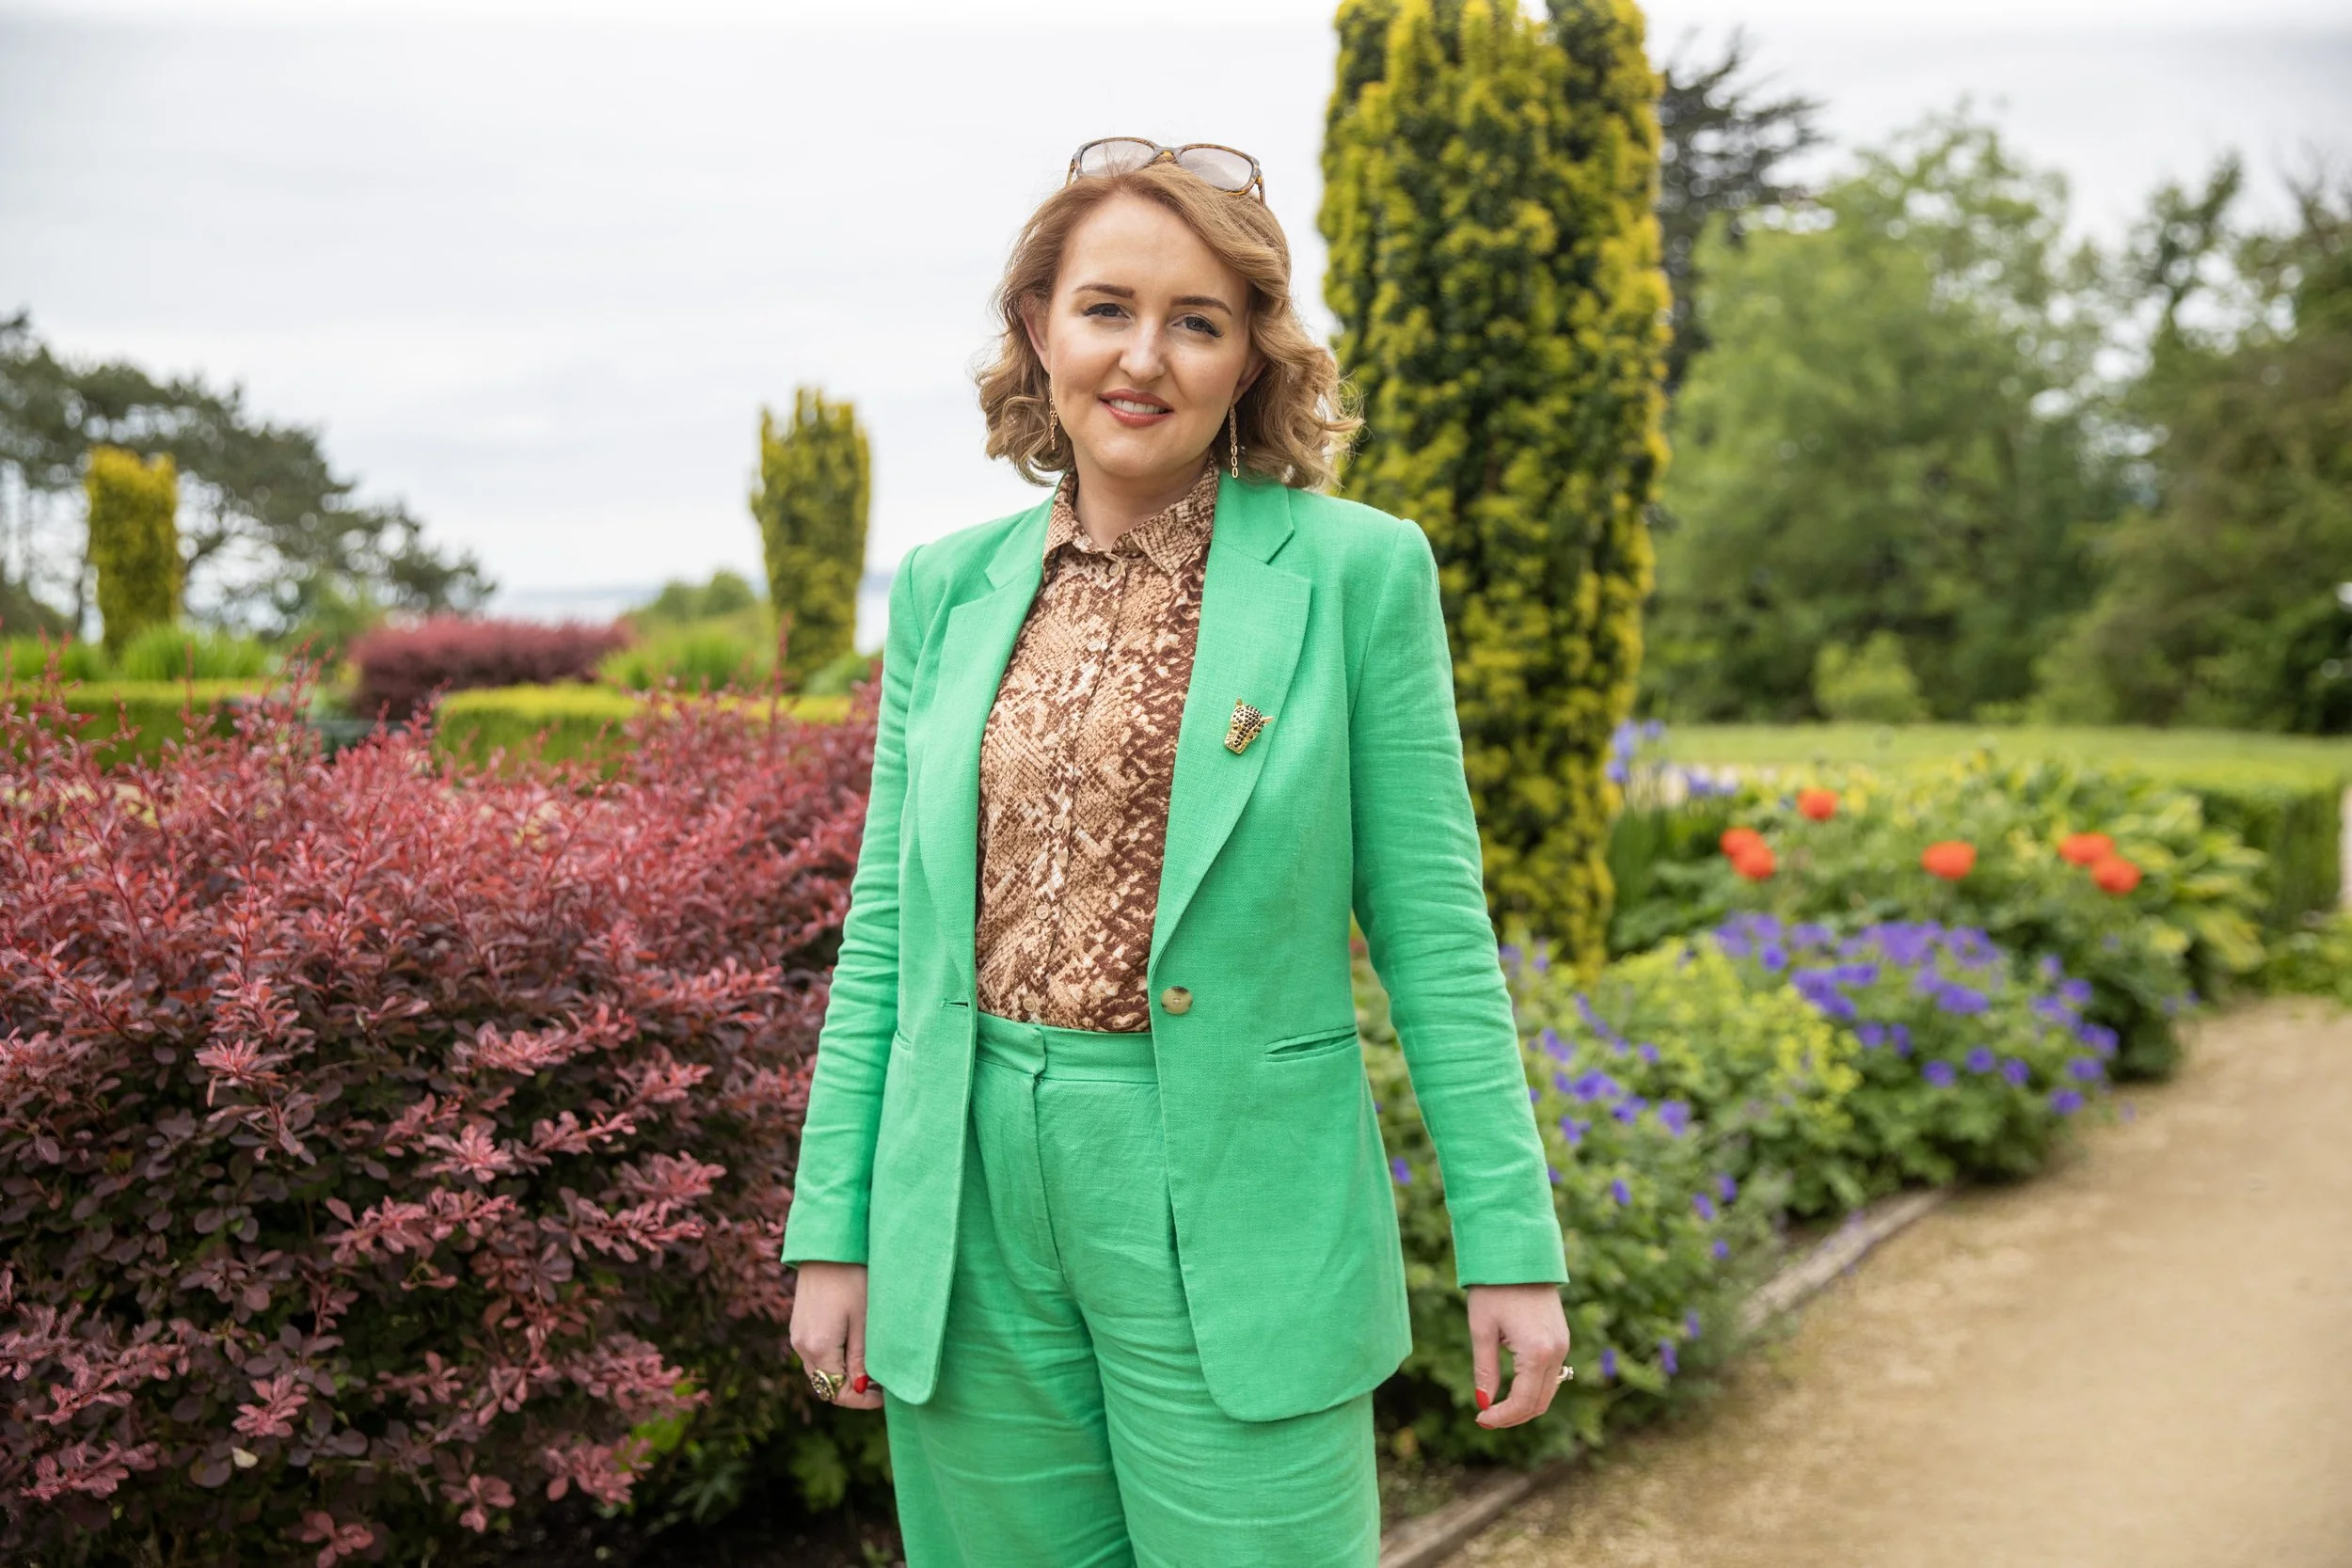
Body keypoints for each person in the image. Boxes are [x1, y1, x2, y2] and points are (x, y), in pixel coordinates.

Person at [783, 137, 1571, 1568]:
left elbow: (1437, 934)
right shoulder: (949, 589)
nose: (1143, 356)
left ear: (1250, 358)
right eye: (1106, 308)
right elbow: (889, 932)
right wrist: (833, 1223)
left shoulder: (1356, 572)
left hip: (1233, 1202)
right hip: (962, 1208)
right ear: (1039, 327)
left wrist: (1510, 1243)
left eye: (1197, 321)